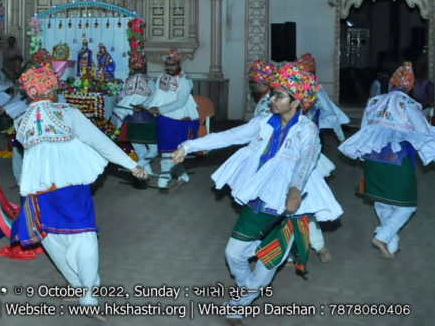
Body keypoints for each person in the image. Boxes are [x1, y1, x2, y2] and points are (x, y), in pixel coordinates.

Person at [171, 63, 342, 325]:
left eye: (280, 95)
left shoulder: (307, 130)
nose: (272, 100)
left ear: (297, 101)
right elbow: (228, 136)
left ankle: (238, 305)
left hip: (289, 207)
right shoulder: (263, 123)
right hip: (261, 200)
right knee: (233, 254)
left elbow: (306, 161)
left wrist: (295, 189)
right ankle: (245, 288)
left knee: (267, 265)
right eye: (273, 94)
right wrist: (189, 146)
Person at [10, 64, 147, 309]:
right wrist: (131, 165)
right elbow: (99, 142)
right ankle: (88, 294)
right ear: (52, 90)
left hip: (40, 190)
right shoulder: (67, 113)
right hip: (71, 185)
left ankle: (77, 285)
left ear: (30, 92)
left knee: (51, 236)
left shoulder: (21, 122)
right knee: (84, 236)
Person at [339, 61, 435, 259]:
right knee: (407, 205)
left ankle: (391, 245)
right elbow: (426, 138)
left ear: (391, 83)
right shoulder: (408, 105)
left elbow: (364, 131)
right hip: (397, 159)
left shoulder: (373, 102)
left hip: (373, 157)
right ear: (410, 87)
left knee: (383, 202)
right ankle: (382, 236)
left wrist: (365, 159)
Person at [136, 47, 199, 192]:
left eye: (173, 65)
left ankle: (163, 183)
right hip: (164, 119)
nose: (170, 68)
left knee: (168, 151)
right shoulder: (162, 76)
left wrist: (159, 109)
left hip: (181, 119)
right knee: (170, 150)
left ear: (179, 64)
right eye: (168, 65)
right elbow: (156, 96)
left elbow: (180, 102)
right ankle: (183, 176)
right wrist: (144, 105)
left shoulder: (185, 80)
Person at [112, 51, 157, 184]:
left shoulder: (128, 81)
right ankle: (138, 168)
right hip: (146, 122)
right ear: (144, 66)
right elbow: (154, 99)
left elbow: (121, 101)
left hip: (131, 122)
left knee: (140, 151)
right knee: (153, 151)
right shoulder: (149, 80)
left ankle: (146, 173)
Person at [296, 53, 349, 142]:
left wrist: (341, 138)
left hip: (312, 125)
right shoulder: (295, 87)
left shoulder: (316, 88)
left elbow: (330, 111)